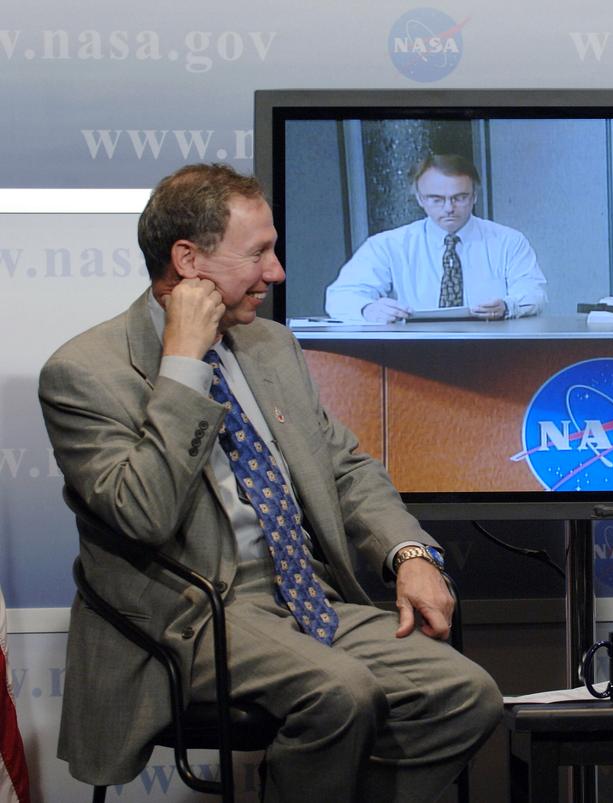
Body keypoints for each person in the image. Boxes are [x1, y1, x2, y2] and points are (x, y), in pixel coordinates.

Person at [39, 164, 502, 802]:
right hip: (193, 613)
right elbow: (142, 513)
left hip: (307, 593)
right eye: (258, 253)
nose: (277, 272)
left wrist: (410, 553)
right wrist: (182, 367)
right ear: (188, 260)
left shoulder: (270, 346)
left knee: (468, 696)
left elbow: (344, 467)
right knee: (341, 693)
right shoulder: (83, 373)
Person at [325, 153, 547, 322]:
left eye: (459, 198)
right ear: (420, 199)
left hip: (494, 350)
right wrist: (368, 308)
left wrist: (507, 306)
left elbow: (535, 292)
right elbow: (340, 295)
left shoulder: (508, 241)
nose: (449, 208)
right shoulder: (389, 245)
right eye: (436, 199)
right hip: (411, 354)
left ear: (475, 196)